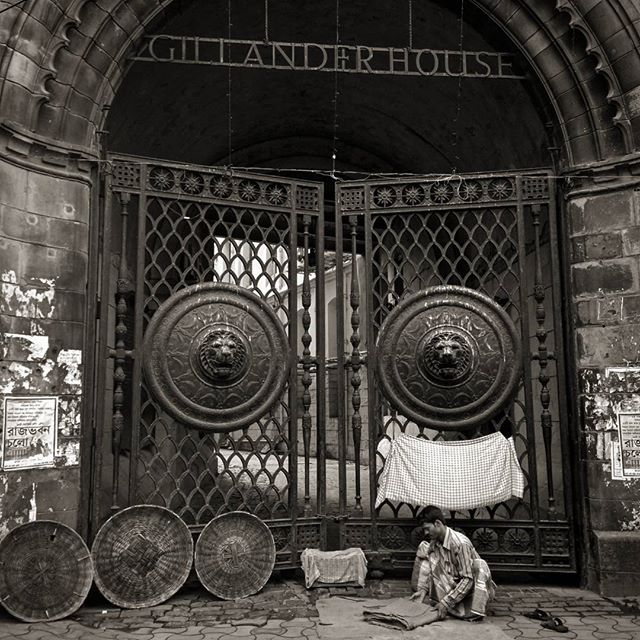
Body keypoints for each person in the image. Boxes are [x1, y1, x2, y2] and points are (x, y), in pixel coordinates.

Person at [409, 505, 495, 622]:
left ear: (437, 523)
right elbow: (434, 570)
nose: (425, 532)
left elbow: (468, 579)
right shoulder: (435, 542)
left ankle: (470, 609)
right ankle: (451, 606)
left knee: (480, 565)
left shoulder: (460, 543)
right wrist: (423, 590)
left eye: (427, 528)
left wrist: (446, 602)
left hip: (471, 589)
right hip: (455, 585)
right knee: (427, 552)